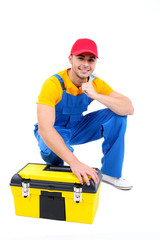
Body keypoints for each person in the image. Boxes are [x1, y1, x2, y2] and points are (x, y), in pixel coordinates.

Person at [34, 38, 134, 190]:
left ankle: (110, 173)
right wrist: (75, 163)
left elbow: (128, 108)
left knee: (117, 116)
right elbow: (45, 129)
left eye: (91, 60)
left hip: (78, 127)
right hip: (54, 130)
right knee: (51, 150)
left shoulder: (95, 83)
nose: (86, 64)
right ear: (70, 59)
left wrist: (97, 95)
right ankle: (58, 172)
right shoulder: (53, 84)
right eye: (80, 58)